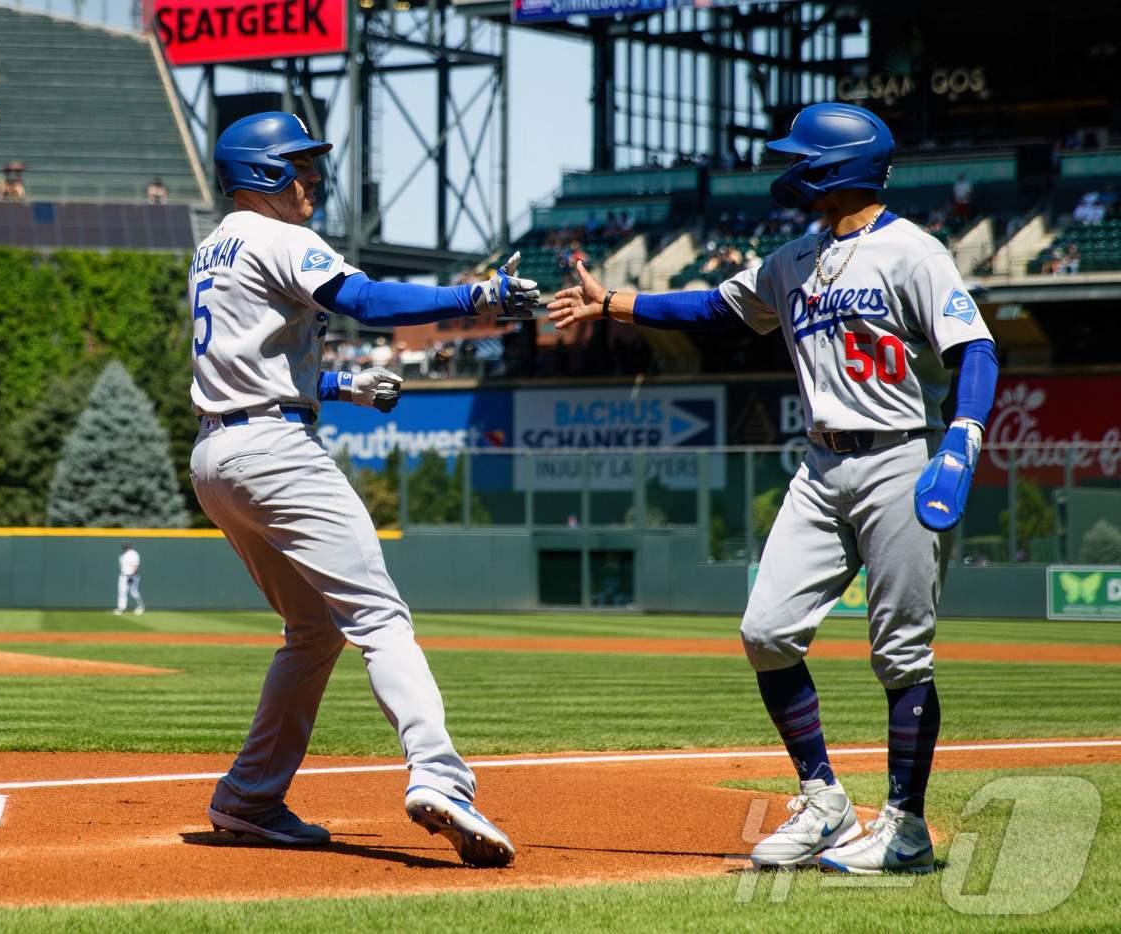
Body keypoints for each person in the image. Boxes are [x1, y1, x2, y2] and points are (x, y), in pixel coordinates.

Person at [549, 102, 999, 875]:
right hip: (820, 466)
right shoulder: (794, 257)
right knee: (766, 631)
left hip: (898, 460)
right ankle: (823, 800)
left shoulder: (913, 253)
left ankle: (905, 828)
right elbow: (713, 308)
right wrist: (616, 302)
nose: (789, 169)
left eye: (803, 158)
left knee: (901, 654)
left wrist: (961, 438)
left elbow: (977, 348)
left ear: (840, 166)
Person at [190, 112, 537, 866]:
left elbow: (254, 358)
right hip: (274, 451)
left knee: (315, 631)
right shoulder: (280, 237)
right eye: (299, 165)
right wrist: (474, 298)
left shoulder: (214, 245)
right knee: (379, 615)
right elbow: (368, 302)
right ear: (264, 174)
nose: (312, 177)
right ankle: (441, 777)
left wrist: (340, 385)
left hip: (218, 456)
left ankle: (249, 797)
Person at [114, 542, 145, 616]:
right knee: (122, 592)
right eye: (124, 546)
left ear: (130, 546)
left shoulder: (134, 554)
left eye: (127, 545)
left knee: (133, 592)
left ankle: (141, 606)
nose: (126, 547)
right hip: (123, 576)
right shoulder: (122, 555)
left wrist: (131, 577)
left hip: (132, 576)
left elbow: (135, 566)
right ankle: (121, 608)